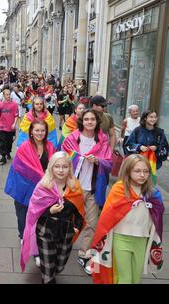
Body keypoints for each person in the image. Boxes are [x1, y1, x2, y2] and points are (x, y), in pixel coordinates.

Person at [91, 154, 164, 284]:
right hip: (121, 239)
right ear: (128, 171)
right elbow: (107, 216)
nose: (142, 175)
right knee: (125, 279)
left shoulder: (153, 193)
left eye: (146, 171)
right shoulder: (119, 189)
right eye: (137, 171)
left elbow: (157, 216)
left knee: (135, 280)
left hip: (142, 240)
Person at [20, 152, 85, 284]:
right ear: (51, 168)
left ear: (70, 168)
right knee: (49, 272)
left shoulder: (75, 186)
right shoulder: (43, 186)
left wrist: (77, 227)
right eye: (57, 166)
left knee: (59, 266)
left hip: (66, 232)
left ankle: (48, 272)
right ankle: (47, 276)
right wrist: (49, 211)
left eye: (65, 167)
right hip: (45, 231)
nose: (61, 170)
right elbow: (34, 210)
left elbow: (80, 211)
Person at [61, 109, 112, 275]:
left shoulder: (103, 140)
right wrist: (78, 157)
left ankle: (84, 253)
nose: (89, 122)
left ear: (97, 122)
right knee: (66, 221)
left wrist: (97, 160)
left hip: (93, 188)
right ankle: (60, 246)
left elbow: (109, 162)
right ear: (81, 121)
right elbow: (62, 158)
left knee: (92, 223)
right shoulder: (72, 137)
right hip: (73, 189)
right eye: (86, 119)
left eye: (92, 119)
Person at [5, 121, 56, 254]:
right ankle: (23, 235)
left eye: (43, 131)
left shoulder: (50, 147)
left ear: (46, 132)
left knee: (40, 214)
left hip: (42, 189)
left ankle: (36, 236)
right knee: (22, 212)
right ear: (31, 132)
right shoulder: (23, 147)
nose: (40, 133)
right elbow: (17, 168)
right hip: (24, 187)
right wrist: (39, 174)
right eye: (37, 130)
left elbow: (53, 166)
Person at [125, 110, 169, 184]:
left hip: (153, 166)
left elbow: (165, 148)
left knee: (150, 187)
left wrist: (157, 148)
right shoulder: (137, 130)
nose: (153, 119)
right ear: (145, 118)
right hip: (137, 165)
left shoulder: (159, 132)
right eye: (151, 117)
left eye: (155, 117)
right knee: (136, 185)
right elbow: (128, 145)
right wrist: (139, 147)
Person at [0, 89, 19, 165]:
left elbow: (16, 115)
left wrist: (14, 124)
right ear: (3, 95)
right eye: (6, 94)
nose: (8, 96)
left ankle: (8, 152)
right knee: (2, 142)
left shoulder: (14, 105)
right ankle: (3, 156)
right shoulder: (0, 105)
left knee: (9, 142)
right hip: (2, 127)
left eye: (9, 94)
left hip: (11, 127)